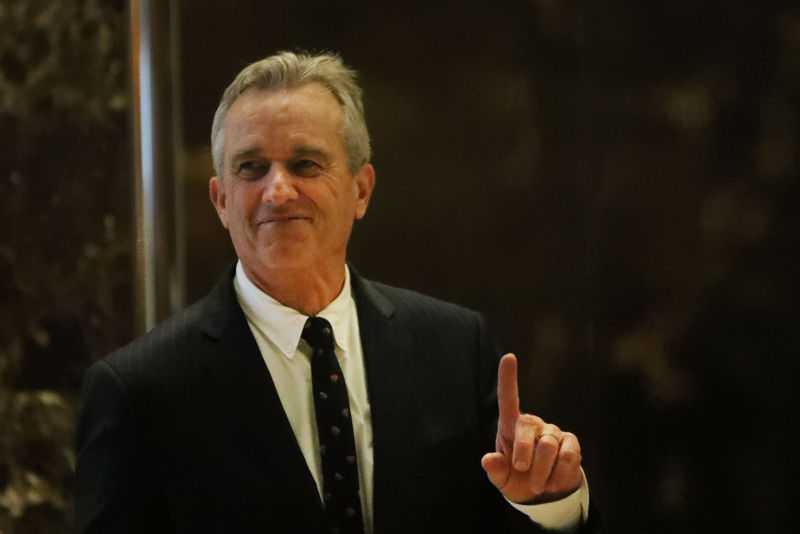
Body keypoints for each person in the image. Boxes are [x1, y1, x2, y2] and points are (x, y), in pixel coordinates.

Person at [74, 51, 596, 534]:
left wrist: (549, 504)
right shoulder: (139, 391)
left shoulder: (456, 347)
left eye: (305, 164)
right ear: (220, 201)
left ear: (361, 189)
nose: (277, 191)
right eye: (251, 168)